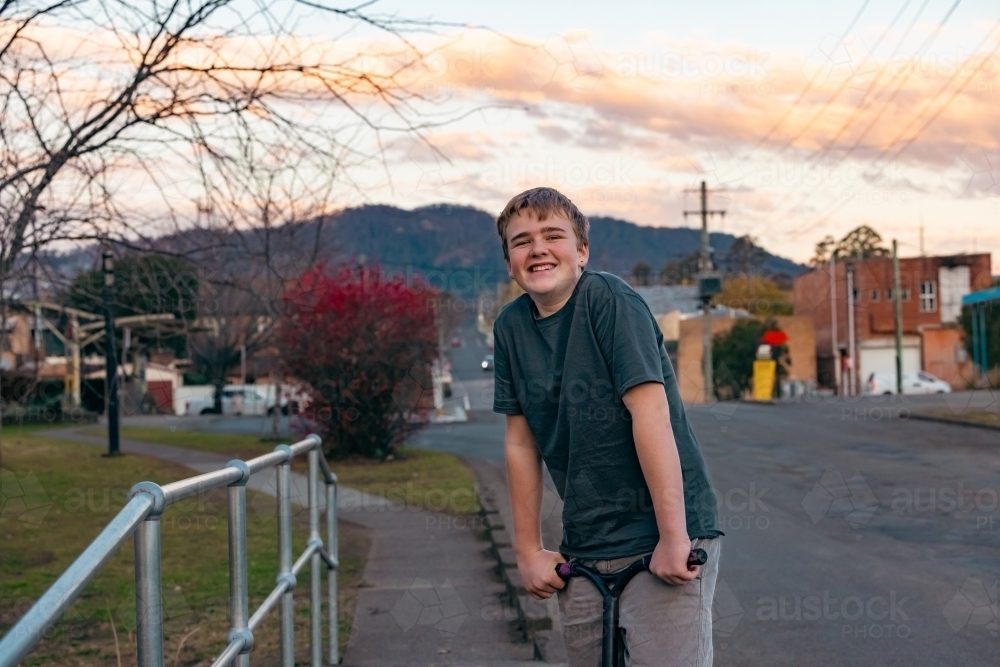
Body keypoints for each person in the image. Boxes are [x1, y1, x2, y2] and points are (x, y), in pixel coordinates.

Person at [491, 187, 723, 667]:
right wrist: (528, 551)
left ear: (581, 252)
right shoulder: (511, 327)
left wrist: (674, 536)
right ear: (510, 263)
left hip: (662, 531)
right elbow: (519, 442)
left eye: (553, 235)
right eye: (521, 241)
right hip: (587, 543)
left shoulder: (608, 300)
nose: (537, 249)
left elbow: (651, 414)